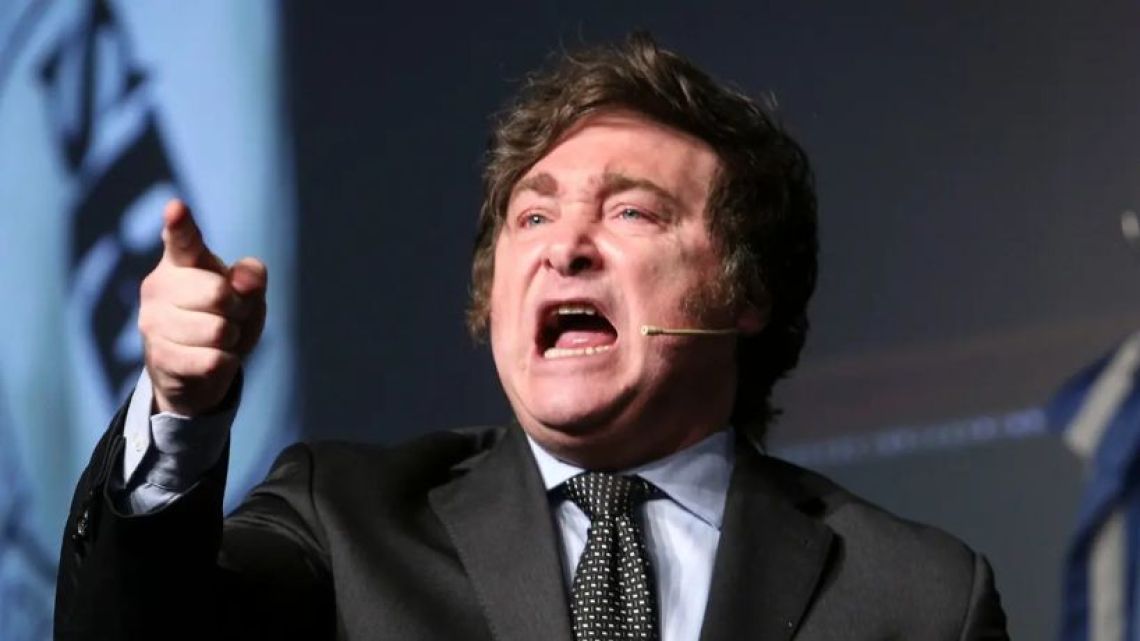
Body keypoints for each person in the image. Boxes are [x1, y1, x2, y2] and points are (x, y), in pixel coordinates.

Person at [54, 33, 1009, 640]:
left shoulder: (920, 596)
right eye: (534, 216)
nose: (565, 248)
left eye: (632, 212)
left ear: (746, 289)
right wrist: (181, 416)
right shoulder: (343, 520)